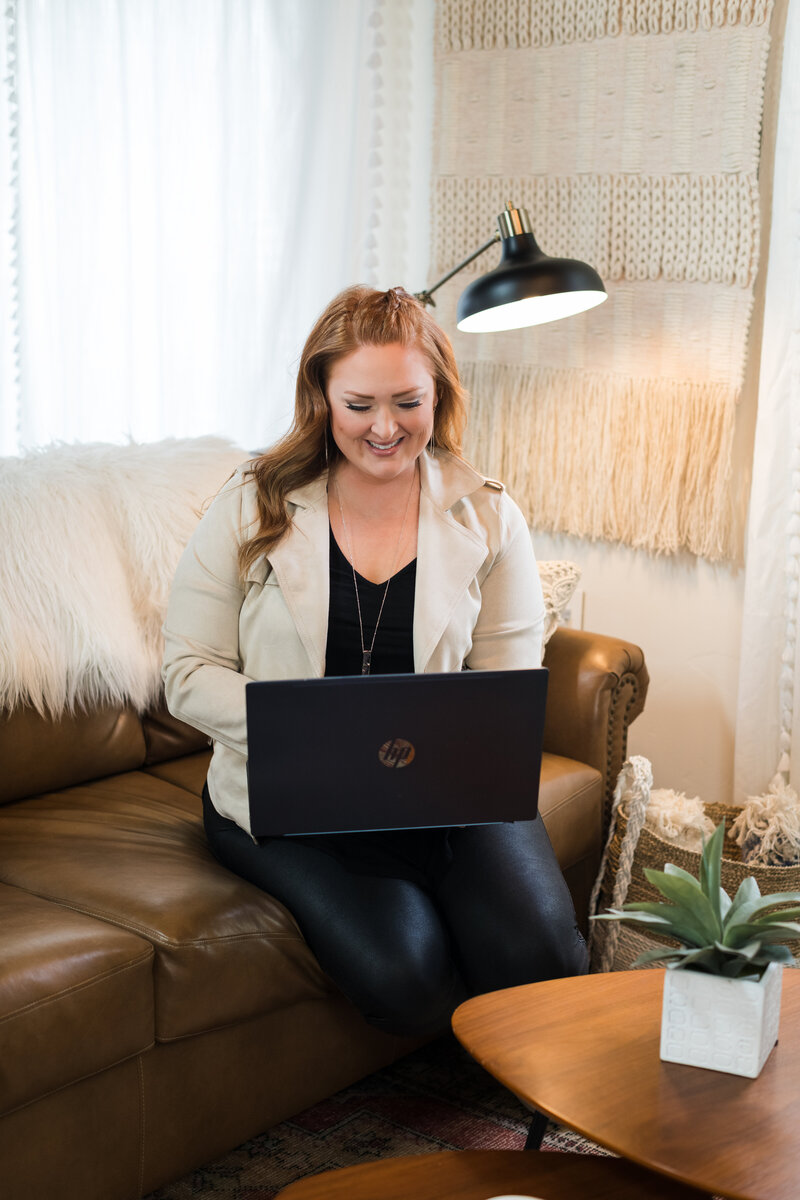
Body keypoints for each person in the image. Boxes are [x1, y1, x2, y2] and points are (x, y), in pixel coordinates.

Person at [162, 285, 587, 1037]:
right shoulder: (252, 501)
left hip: (449, 794)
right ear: (320, 397)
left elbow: (504, 694)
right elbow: (188, 672)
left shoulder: (488, 514)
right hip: (289, 802)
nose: (384, 428)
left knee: (544, 956)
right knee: (406, 977)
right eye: (358, 404)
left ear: (439, 394)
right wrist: (316, 734)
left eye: (406, 402)